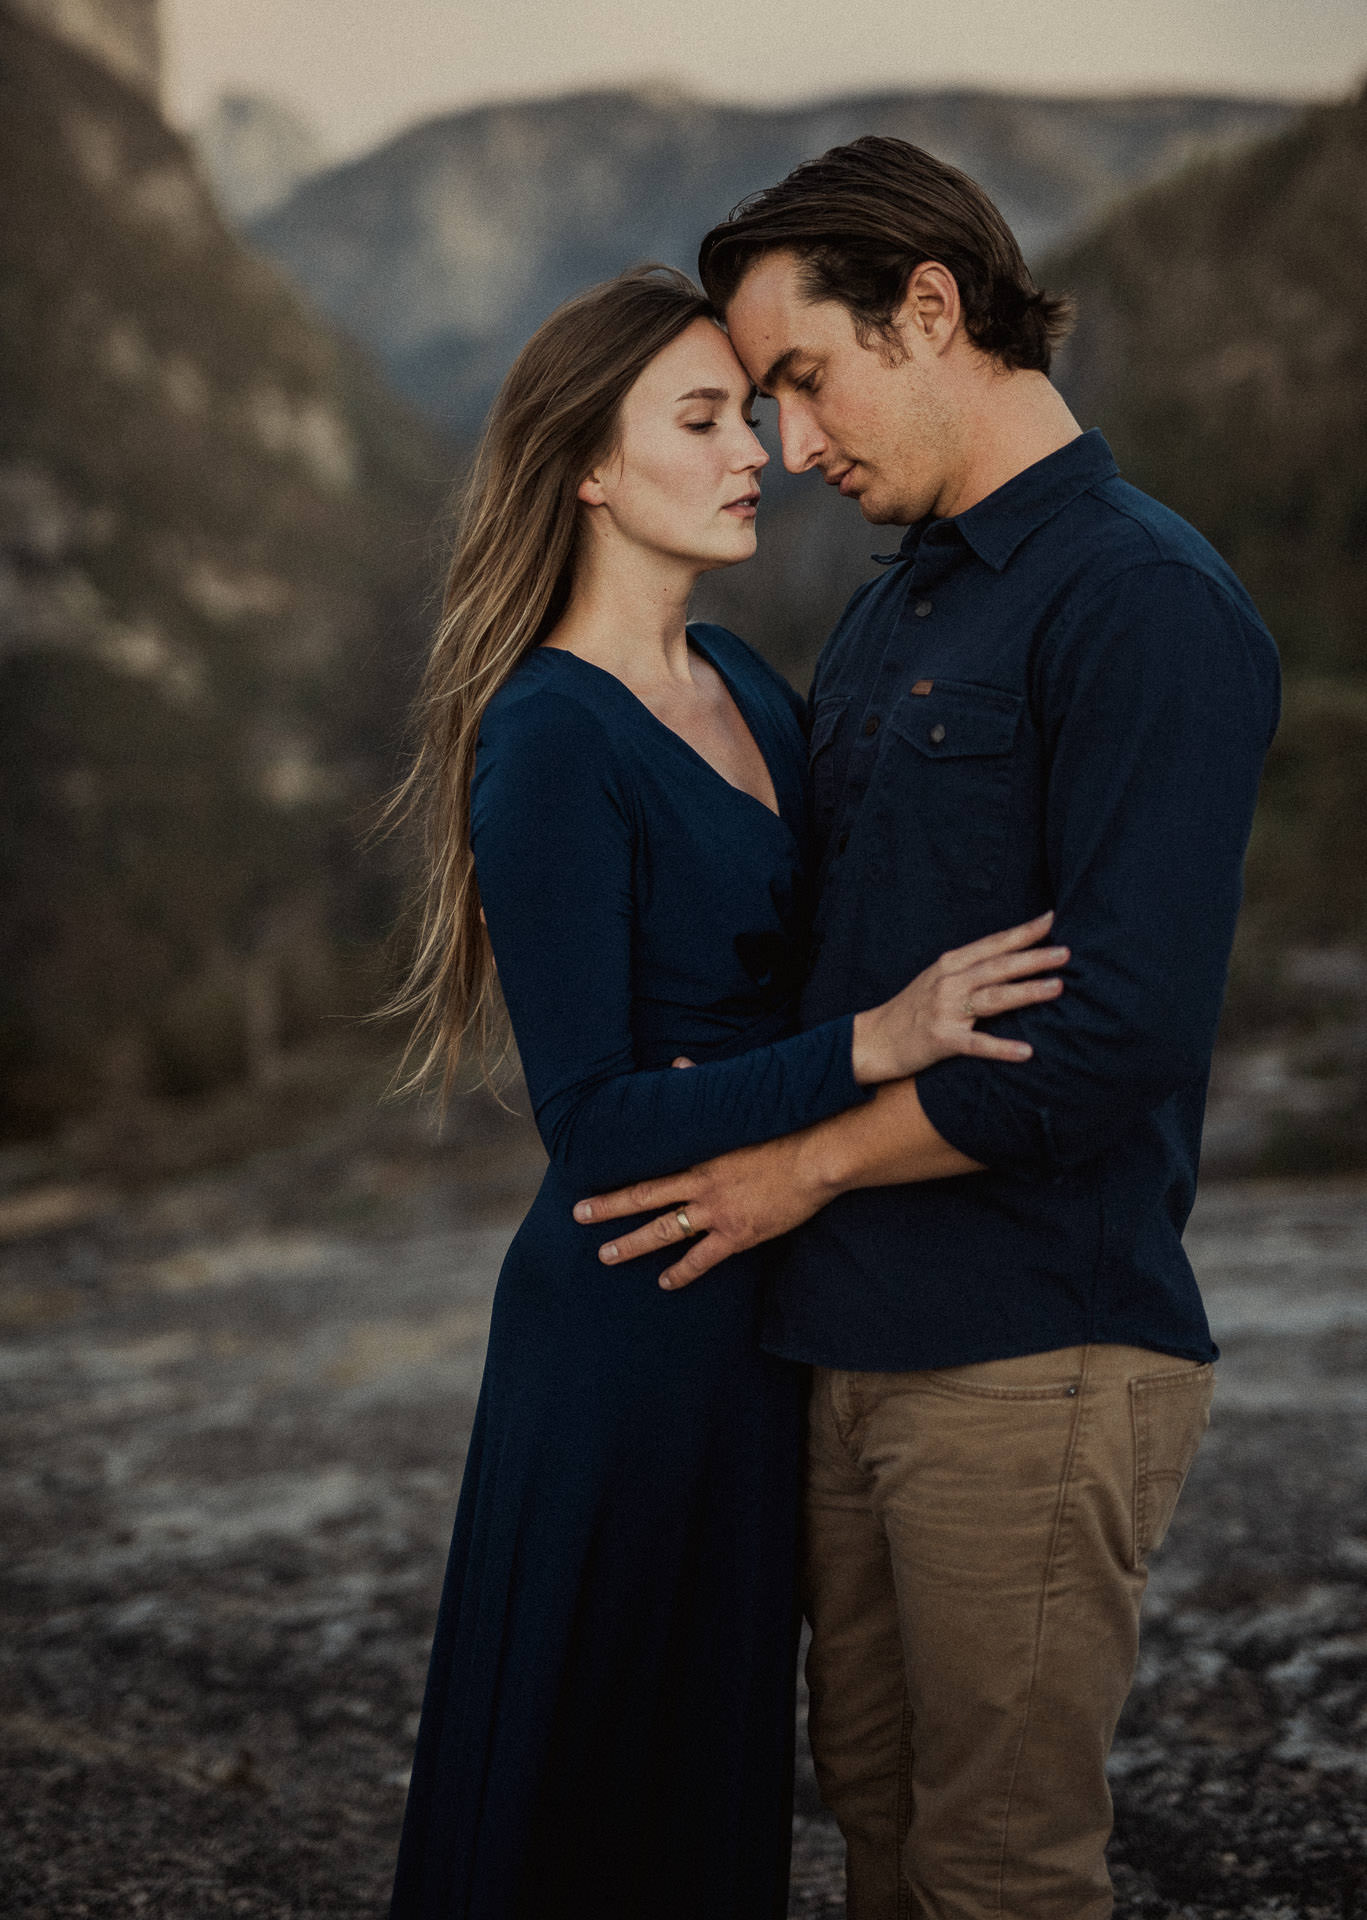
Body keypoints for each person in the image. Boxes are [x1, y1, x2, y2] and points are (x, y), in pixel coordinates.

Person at [573, 143, 1282, 1919]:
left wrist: (789, 1170)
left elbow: (1107, 1038)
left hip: (1033, 1352)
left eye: (803, 378)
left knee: (998, 1869)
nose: (791, 447)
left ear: (934, 309)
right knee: (881, 1837)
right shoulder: (899, 603)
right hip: (851, 1342)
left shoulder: (1146, 601)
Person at [385, 264, 1069, 1920]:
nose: (758, 445)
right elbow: (600, 1119)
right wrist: (873, 1046)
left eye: (752, 408)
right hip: (622, 1325)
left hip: (759, 1304)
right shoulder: (548, 735)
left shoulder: (753, 683)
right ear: (592, 473)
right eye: (703, 419)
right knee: (591, 1779)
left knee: (710, 1780)